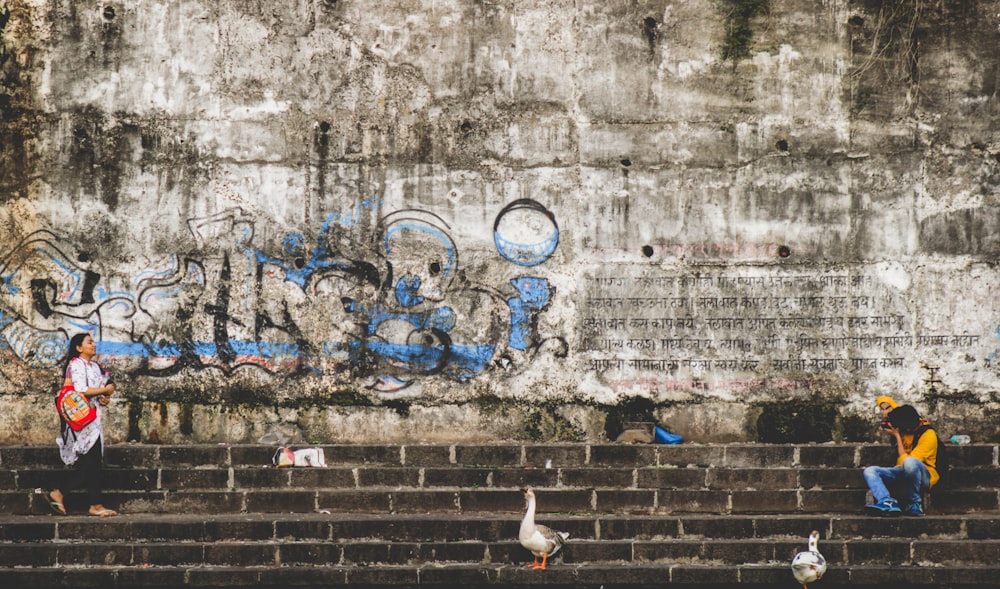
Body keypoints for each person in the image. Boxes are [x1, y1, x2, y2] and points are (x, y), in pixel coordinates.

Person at [46, 333, 118, 517]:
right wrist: (106, 390)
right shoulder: (76, 364)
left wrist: (104, 397)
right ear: (79, 347)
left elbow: (97, 390)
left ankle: (93, 503)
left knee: (92, 461)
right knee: (91, 461)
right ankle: (64, 493)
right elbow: (81, 390)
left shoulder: (94, 366)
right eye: (89, 342)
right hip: (81, 419)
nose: (94, 345)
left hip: (92, 417)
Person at [863, 404, 939, 517]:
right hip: (901, 470)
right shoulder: (904, 430)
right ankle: (886, 501)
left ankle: (914, 503)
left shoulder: (928, 435)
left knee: (909, 463)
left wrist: (898, 436)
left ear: (907, 427)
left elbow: (909, 463)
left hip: (924, 475)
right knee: (870, 471)